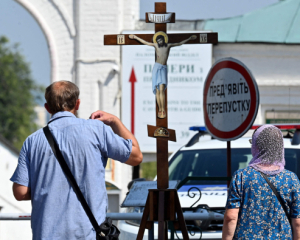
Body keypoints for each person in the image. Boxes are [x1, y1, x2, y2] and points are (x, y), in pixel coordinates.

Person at [10, 80, 143, 240]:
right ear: (77, 104)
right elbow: (136, 156)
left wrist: (51, 188)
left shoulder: (32, 141)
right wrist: (114, 121)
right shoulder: (96, 130)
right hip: (88, 234)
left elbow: (20, 192)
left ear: (47, 108)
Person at [222, 124, 300, 239]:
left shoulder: (242, 176)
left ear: (256, 146)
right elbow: (297, 222)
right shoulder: (291, 179)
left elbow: (231, 217)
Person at [129, 32, 196, 118]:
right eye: (158, 40)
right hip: (156, 67)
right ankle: (159, 109)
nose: (159, 42)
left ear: (163, 40)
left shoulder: (168, 46)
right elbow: (145, 42)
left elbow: (179, 43)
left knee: (161, 89)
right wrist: (135, 37)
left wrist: (189, 38)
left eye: (161, 40)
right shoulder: (156, 46)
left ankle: (163, 109)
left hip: (163, 68)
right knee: (157, 90)